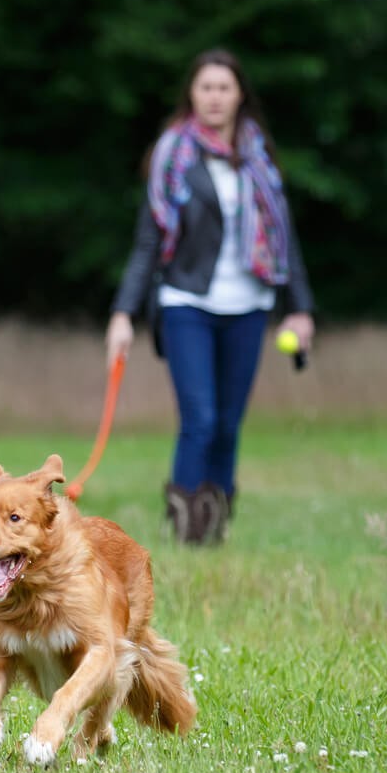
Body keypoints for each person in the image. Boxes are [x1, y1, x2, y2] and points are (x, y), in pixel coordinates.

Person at [106, 48, 316, 546]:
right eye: (206, 87)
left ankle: (214, 530)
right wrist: (122, 314)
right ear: (192, 95)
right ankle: (186, 531)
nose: (215, 97)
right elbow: (148, 242)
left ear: (240, 94)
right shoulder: (172, 157)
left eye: (224, 87)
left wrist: (300, 309)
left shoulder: (259, 157)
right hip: (187, 302)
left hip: (249, 306)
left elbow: (284, 240)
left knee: (227, 424)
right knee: (199, 420)